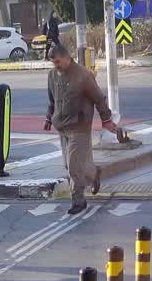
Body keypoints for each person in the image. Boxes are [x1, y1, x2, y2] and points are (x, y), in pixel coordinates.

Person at [44, 44, 117, 214]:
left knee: (73, 167)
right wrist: (48, 118)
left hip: (80, 127)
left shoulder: (83, 75)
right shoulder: (52, 75)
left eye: (58, 62)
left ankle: (78, 201)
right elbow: (52, 100)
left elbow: (99, 98)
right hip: (61, 126)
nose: (56, 65)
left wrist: (106, 119)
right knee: (69, 165)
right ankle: (94, 174)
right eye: (53, 63)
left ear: (68, 58)